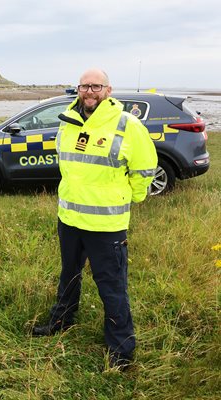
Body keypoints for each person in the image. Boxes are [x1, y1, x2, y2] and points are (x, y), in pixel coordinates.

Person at [32, 69, 158, 371]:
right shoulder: (68, 121)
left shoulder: (127, 124)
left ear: (108, 89)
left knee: (112, 286)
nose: (90, 91)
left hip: (106, 225)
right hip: (70, 219)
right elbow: (67, 162)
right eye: (85, 86)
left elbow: (145, 167)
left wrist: (133, 197)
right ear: (78, 89)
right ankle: (61, 320)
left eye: (96, 86)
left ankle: (121, 349)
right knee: (69, 275)